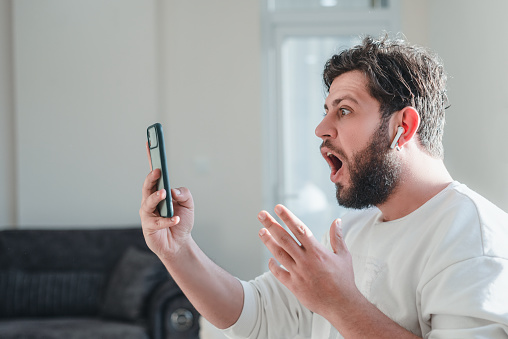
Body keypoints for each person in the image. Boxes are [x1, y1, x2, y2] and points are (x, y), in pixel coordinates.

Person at [139, 35, 508, 338]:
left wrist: (339, 302)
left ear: (404, 127)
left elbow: (338, 305)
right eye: (326, 109)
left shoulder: (472, 237)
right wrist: (178, 250)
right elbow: (254, 313)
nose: (321, 128)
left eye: (344, 110)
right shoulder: (352, 231)